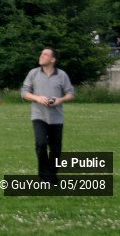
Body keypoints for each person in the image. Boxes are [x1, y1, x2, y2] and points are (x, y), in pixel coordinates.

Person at [21, 48, 75, 183]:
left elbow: (71, 94)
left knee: (56, 149)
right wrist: (37, 98)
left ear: (53, 60)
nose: (41, 56)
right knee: (41, 144)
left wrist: (60, 100)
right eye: (41, 54)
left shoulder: (62, 75)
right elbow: (24, 92)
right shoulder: (33, 73)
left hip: (56, 118)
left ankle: (52, 176)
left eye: (45, 54)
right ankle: (43, 175)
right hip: (38, 116)